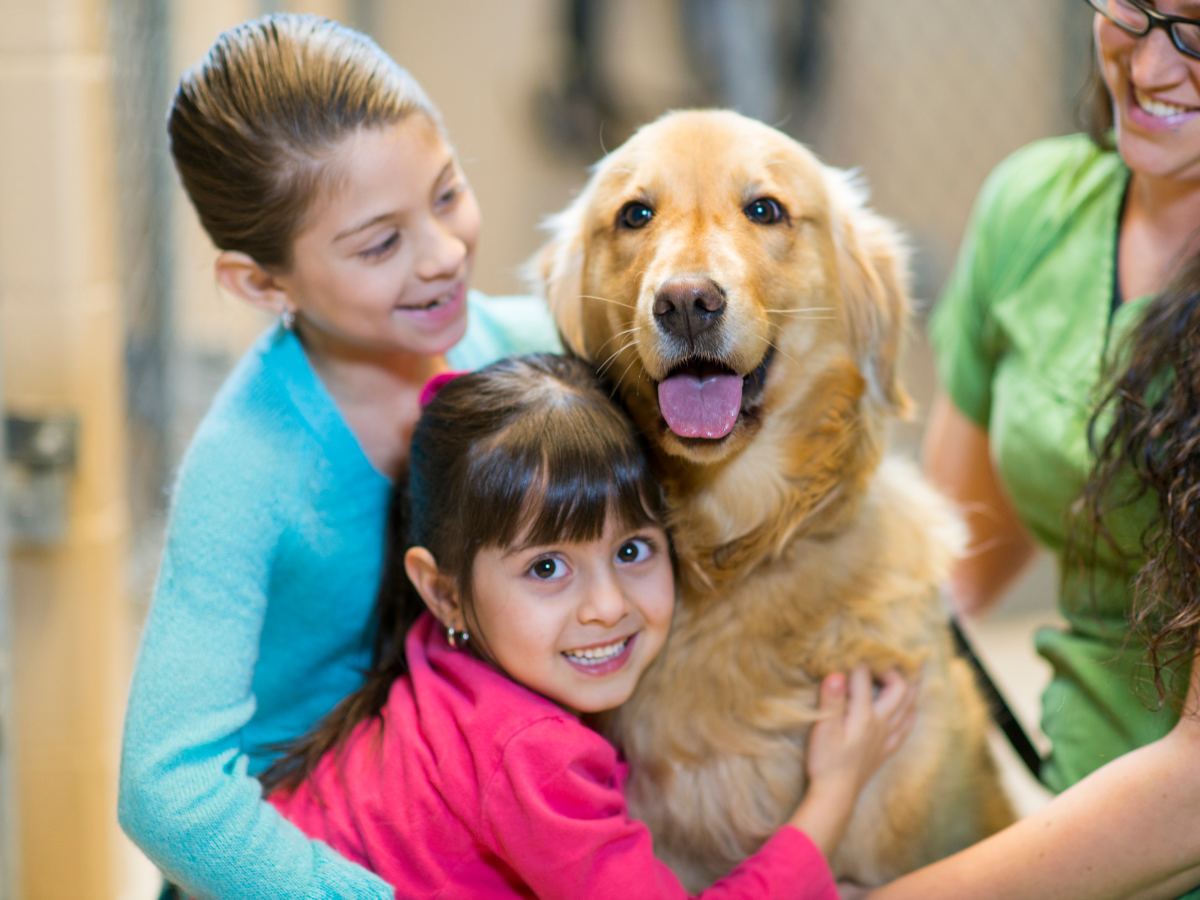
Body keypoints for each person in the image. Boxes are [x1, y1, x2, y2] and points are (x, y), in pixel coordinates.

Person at [116, 14, 561, 898]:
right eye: (379, 243)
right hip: (313, 863)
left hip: (451, 830)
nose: (443, 256)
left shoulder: (518, 350)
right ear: (259, 283)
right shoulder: (247, 468)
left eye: (446, 193)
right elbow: (165, 793)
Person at [263, 353, 919, 898]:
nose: (607, 605)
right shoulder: (531, 754)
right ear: (443, 592)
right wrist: (834, 792)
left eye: (632, 550)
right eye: (547, 567)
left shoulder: (450, 665)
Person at [858, 2, 1200, 897]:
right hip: (1063, 812)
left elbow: (1194, 788)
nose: (1152, 68)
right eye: (1134, 8)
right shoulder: (1038, 208)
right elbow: (954, 558)